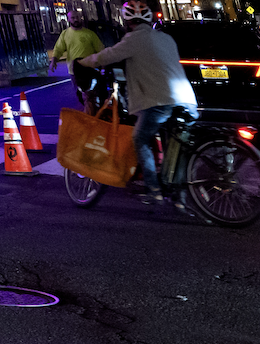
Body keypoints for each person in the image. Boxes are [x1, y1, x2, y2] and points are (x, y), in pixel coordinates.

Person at [79, 10, 197, 203]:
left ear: (128, 23)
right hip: (187, 99)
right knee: (178, 144)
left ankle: (154, 189)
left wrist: (82, 62)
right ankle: (178, 192)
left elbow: (108, 55)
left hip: (161, 101)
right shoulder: (165, 38)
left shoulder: (134, 39)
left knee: (140, 138)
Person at [49, 15, 106, 110]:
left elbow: (100, 49)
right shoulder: (65, 34)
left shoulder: (89, 34)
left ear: (81, 18)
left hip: (90, 70)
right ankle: (91, 111)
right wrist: (54, 60)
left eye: (77, 17)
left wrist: (103, 65)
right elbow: (58, 49)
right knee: (80, 95)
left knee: (91, 94)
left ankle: (93, 113)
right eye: (73, 18)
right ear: (69, 20)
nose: (75, 19)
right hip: (74, 72)